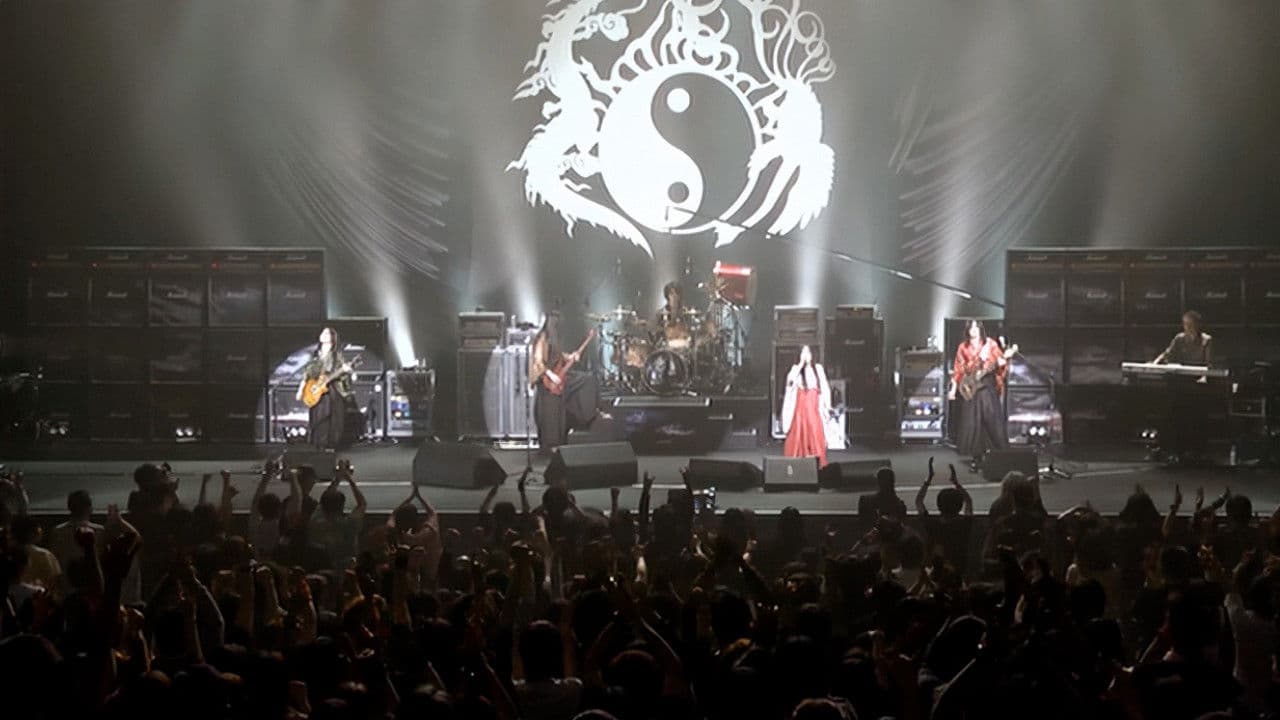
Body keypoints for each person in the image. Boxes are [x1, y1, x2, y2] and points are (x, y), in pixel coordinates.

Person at [529, 311, 605, 450]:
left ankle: (591, 414)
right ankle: (551, 444)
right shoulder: (542, 338)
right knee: (551, 414)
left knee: (587, 380)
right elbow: (539, 362)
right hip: (546, 380)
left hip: (559, 376)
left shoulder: (555, 339)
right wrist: (551, 375)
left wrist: (570, 357)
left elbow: (558, 355)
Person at [1152, 310, 1215, 463]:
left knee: (1196, 416)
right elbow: (1167, 354)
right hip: (1180, 384)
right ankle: (1173, 449)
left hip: (1197, 385)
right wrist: (1155, 363)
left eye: (1191, 325)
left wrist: (1204, 377)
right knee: (1173, 412)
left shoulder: (1206, 340)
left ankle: (1197, 451)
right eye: (1186, 325)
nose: (1188, 328)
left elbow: (1209, 364)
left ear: (1198, 325)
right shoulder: (1179, 339)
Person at [948, 320, 1009, 473]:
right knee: (974, 424)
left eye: (976, 327)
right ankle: (977, 458)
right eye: (971, 327)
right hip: (971, 386)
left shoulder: (990, 344)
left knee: (992, 421)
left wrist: (1001, 363)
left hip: (987, 386)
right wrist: (953, 389)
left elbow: (1001, 363)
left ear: (981, 329)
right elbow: (958, 369)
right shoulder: (963, 347)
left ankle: (1002, 456)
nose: (974, 330)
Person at [295, 326, 356, 450]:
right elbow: (306, 375)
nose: (324, 335)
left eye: (328, 333)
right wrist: (300, 390)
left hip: (331, 390)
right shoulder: (315, 356)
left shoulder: (337, 356)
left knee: (329, 417)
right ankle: (318, 445)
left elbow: (344, 373)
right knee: (317, 418)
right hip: (314, 390)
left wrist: (347, 370)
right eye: (323, 333)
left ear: (333, 338)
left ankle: (329, 445)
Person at [782, 345, 831, 467]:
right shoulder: (795, 369)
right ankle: (795, 467)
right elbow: (789, 383)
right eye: (803, 353)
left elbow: (825, 387)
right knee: (798, 436)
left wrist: (828, 404)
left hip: (813, 409)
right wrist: (800, 365)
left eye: (808, 352)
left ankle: (818, 466)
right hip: (800, 410)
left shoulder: (818, 368)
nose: (806, 355)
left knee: (815, 434)